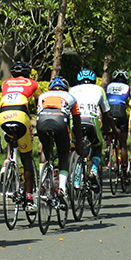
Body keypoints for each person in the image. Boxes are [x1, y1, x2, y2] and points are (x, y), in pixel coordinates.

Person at [0, 61, 40, 212]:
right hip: (21, 114)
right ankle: (29, 198)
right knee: (26, 156)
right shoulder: (34, 84)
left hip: (3, 115)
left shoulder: (6, 83)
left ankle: (7, 161)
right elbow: (38, 105)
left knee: (10, 136)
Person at [69, 69, 122, 190]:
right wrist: (113, 128)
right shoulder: (99, 89)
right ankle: (93, 170)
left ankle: (76, 175)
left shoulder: (72, 90)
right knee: (97, 146)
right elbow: (106, 112)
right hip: (91, 121)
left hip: (75, 122)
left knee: (76, 147)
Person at [36, 77, 84, 208]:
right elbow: (77, 124)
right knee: (63, 154)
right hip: (60, 121)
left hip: (41, 121)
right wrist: (79, 145)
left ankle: (42, 182)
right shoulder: (70, 97)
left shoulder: (42, 96)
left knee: (46, 148)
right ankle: (62, 187)